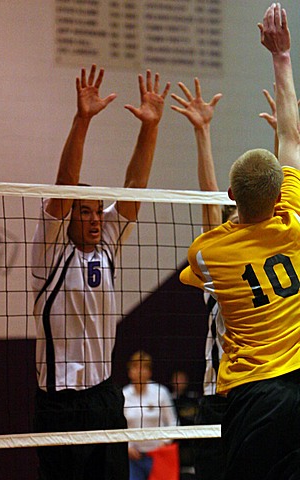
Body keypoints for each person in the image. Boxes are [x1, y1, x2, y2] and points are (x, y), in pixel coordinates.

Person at [31, 64, 170, 480]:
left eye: (97, 213)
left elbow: (134, 186)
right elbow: (65, 181)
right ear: (69, 217)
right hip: (59, 401)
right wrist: (82, 119)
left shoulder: (107, 243)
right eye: (85, 212)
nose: (95, 220)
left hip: (104, 396)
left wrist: (151, 127)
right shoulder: (51, 252)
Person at [180, 3, 300, 479]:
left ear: (232, 195)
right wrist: (282, 55)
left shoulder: (209, 254)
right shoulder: (293, 225)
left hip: (251, 397)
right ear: (277, 197)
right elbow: (291, 139)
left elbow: (209, 242)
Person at [171, 77, 235, 480]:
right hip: (220, 397)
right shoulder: (217, 272)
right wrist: (202, 132)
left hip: (256, 391)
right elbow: (211, 200)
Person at [123, 350, 179, 480]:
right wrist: (127, 447)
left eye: (144, 367)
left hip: (159, 455)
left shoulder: (161, 392)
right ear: (130, 371)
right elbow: (119, 426)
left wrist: (164, 443)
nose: (140, 371)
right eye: (136, 367)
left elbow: (173, 422)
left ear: (150, 371)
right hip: (133, 457)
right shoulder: (124, 395)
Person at [170, 370, 199, 479]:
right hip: (178, 439)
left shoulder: (194, 398)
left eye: (182, 379)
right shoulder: (169, 399)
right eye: (177, 379)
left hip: (193, 437)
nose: (180, 382)